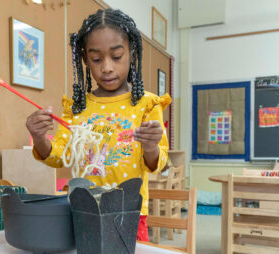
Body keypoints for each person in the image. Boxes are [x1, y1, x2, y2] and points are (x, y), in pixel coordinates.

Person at [26, 8, 171, 242]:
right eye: (96, 59)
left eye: (116, 57)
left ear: (132, 54)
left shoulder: (146, 104)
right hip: (84, 211)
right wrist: (40, 138)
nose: (106, 67)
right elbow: (60, 157)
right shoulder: (77, 107)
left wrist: (152, 147)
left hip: (129, 212)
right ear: (85, 60)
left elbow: (158, 165)